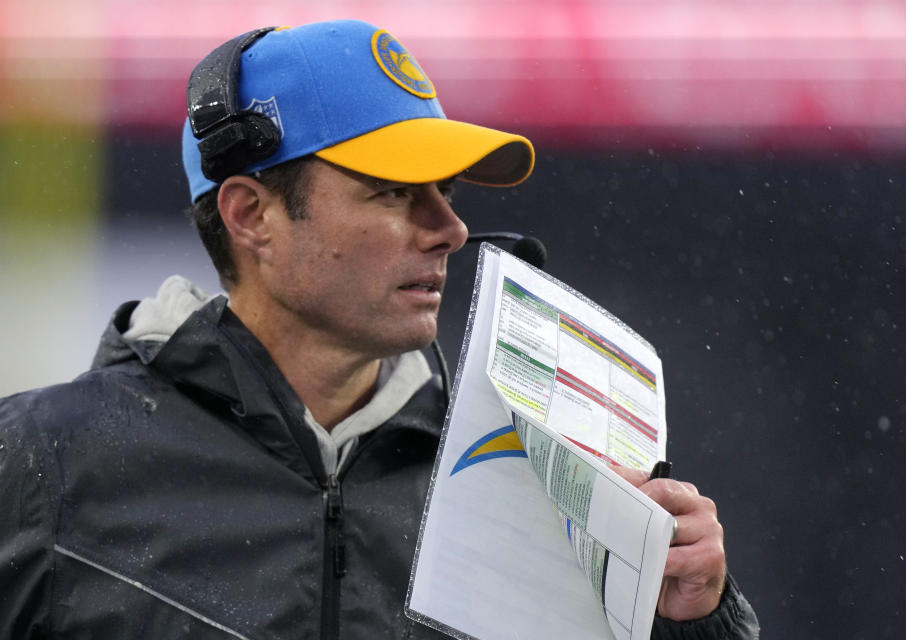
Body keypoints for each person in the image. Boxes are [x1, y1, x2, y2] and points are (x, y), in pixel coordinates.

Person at [0, 19, 759, 639]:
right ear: (250, 214)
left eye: (447, 191)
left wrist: (691, 622)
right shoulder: (41, 466)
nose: (451, 229)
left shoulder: (533, 485)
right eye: (394, 192)